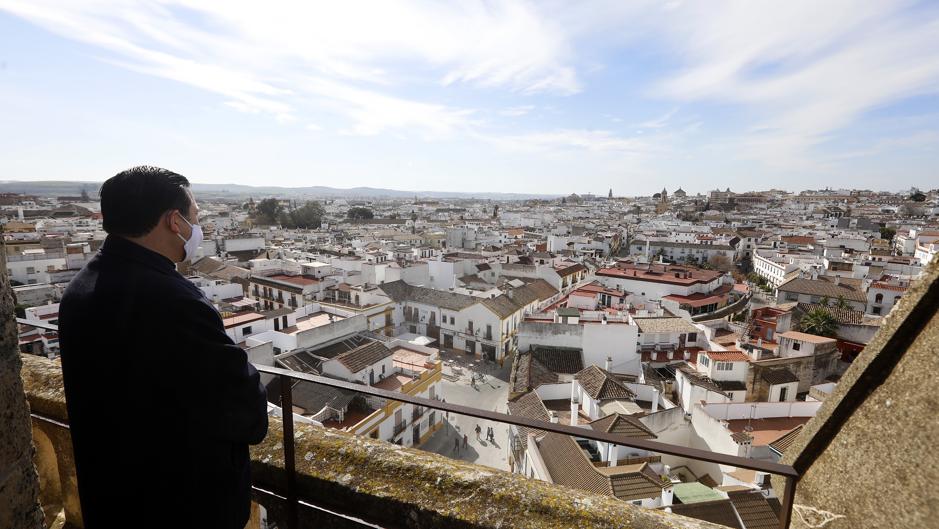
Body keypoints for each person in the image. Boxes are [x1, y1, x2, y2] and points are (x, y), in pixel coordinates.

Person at [58, 167, 269, 529]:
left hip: (113, 493)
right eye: (196, 217)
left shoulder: (80, 287)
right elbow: (245, 410)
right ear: (174, 221)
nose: (199, 228)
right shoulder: (174, 301)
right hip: (180, 503)